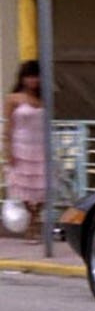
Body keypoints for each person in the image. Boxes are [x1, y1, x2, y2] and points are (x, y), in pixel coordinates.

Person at [2, 61, 45, 243]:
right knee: (23, 188)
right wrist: (8, 150)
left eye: (36, 76)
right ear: (22, 78)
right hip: (21, 145)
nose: (33, 80)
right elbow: (8, 127)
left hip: (40, 146)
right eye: (29, 76)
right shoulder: (13, 98)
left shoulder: (44, 99)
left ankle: (35, 222)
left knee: (43, 187)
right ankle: (31, 226)